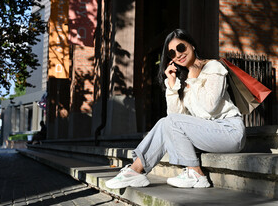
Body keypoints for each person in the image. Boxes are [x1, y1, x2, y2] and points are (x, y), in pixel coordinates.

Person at [105, 29, 246, 189]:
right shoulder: (185, 81)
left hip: (230, 132)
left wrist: (193, 77)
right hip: (207, 134)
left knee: (170, 121)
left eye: (181, 48)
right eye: (172, 53)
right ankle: (135, 171)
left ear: (192, 46)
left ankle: (196, 174)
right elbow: (174, 123)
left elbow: (210, 106)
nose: (178, 55)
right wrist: (172, 87)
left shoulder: (212, 67)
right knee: (166, 122)